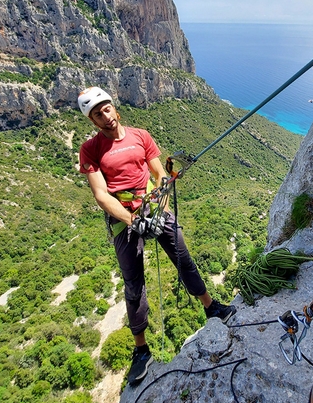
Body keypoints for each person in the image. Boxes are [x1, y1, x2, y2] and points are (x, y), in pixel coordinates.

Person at [77, 87, 236, 386]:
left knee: (183, 258)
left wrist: (159, 210)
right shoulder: (90, 150)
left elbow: (161, 175)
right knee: (134, 284)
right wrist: (133, 221)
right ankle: (141, 351)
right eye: (97, 114)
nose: (105, 116)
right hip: (125, 218)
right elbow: (101, 195)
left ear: (115, 106)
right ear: (92, 120)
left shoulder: (141, 135)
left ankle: (210, 306)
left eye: (106, 108)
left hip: (153, 205)